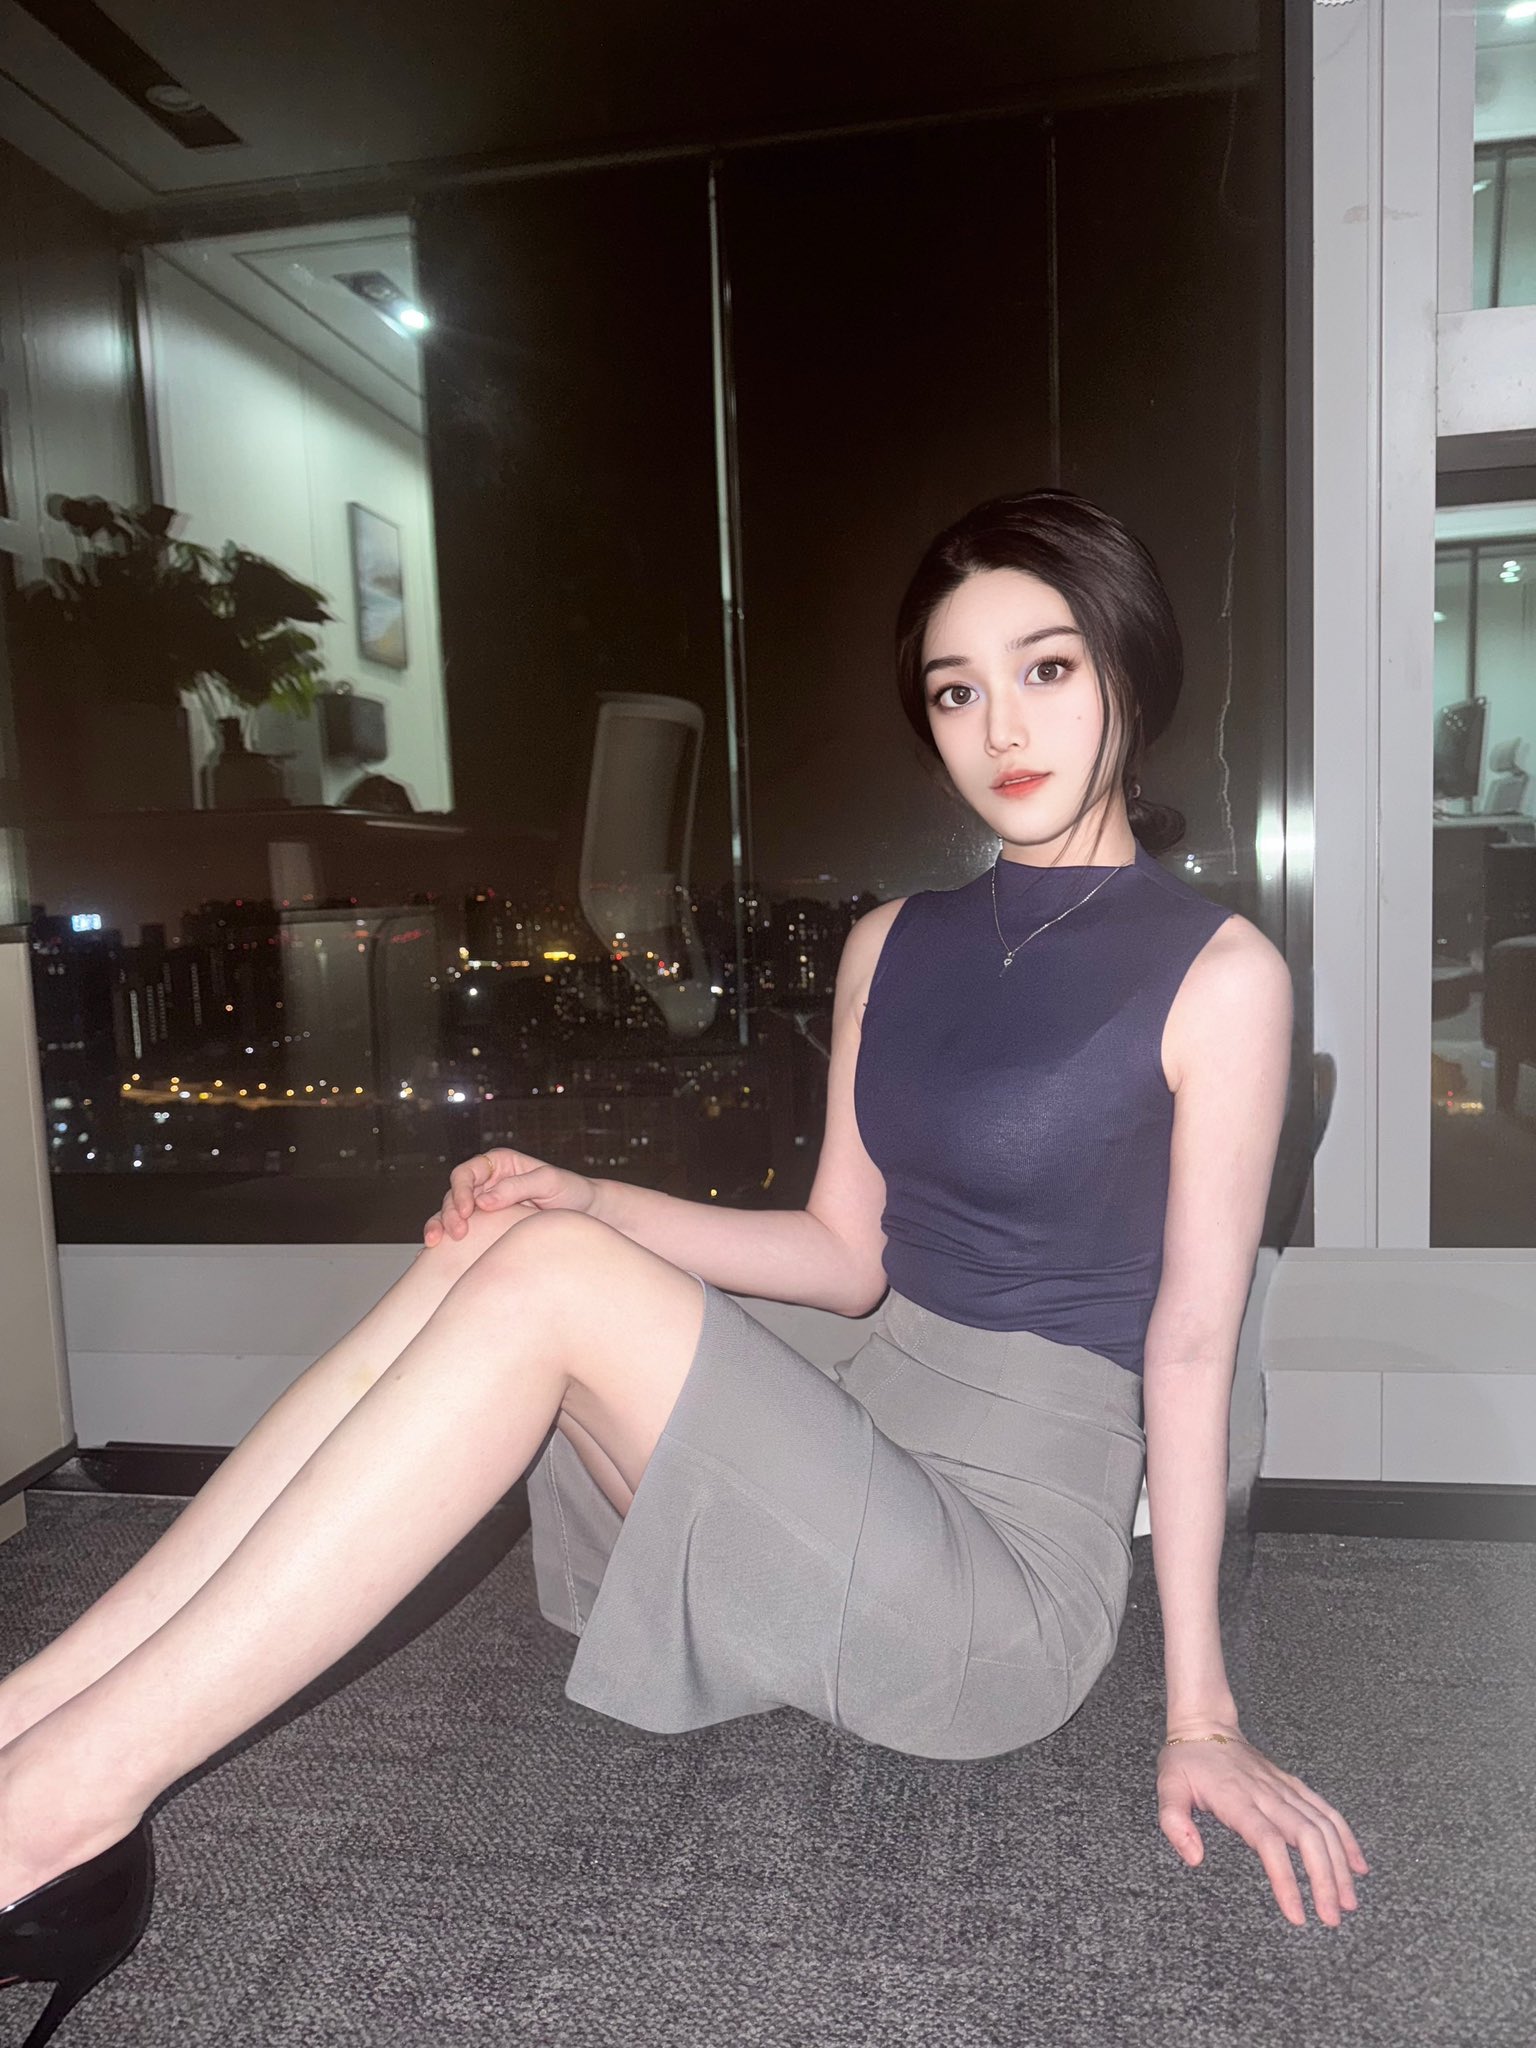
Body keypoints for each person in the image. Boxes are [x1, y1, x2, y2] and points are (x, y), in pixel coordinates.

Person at [0, 490, 1368, 2042]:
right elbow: (842, 1257)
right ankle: (30, 1714)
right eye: (955, 689)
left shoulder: (1220, 974)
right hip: (864, 1414)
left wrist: (1203, 1716)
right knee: (518, 1237)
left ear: (1131, 665)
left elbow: (1189, 1347)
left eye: (1047, 668)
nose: (1002, 728)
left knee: (553, 1276)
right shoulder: (893, 942)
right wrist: (589, 1191)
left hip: (996, 1568)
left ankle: (54, 1815)